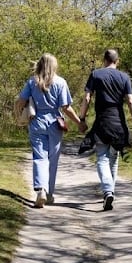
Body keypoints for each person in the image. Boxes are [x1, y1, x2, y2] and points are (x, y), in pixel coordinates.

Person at [13, 53, 85, 208]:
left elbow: (21, 101)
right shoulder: (60, 82)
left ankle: (41, 190)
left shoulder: (32, 82)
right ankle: (50, 193)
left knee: (39, 157)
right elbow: (66, 108)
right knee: (52, 159)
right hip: (54, 124)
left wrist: (18, 113)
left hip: (36, 122)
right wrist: (79, 123)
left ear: (39, 64)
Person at [77, 49, 132, 211]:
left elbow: (87, 97)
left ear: (104, 60)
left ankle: (108, 191)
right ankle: (109, 191)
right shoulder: (124, 77)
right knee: (113, 157)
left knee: (102, 157)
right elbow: (130, 101)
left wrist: (82, 118)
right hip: (118, 123)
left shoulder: (96, 75)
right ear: (117, 61)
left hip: (102, 122)